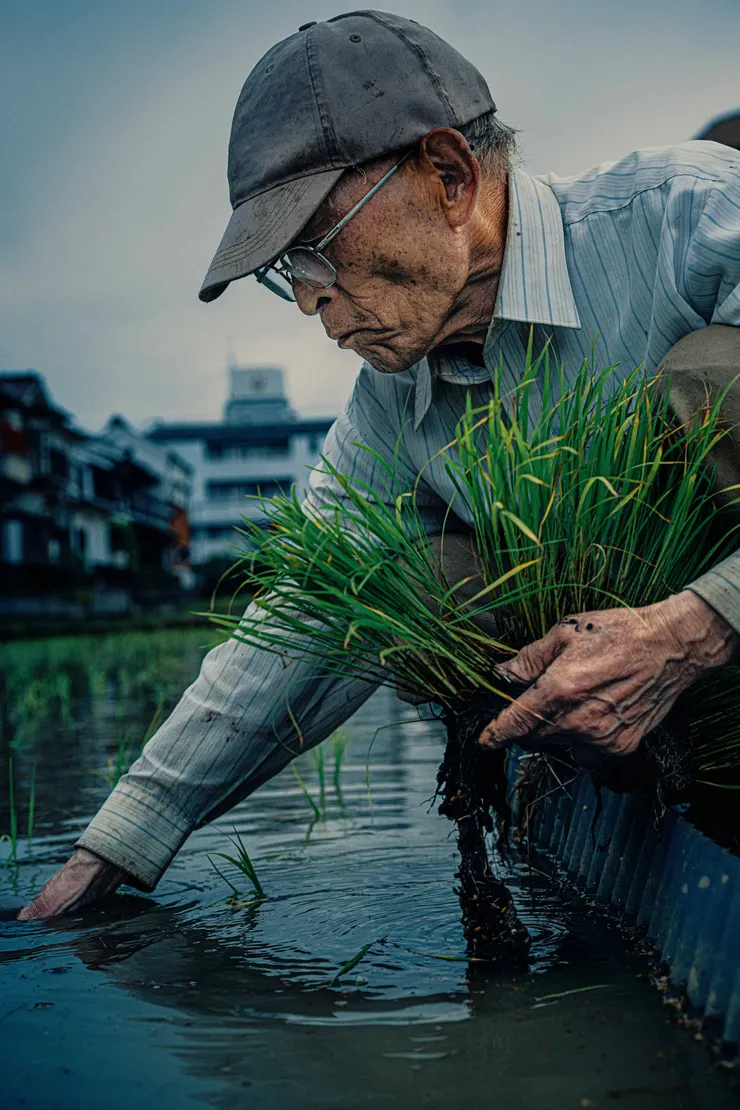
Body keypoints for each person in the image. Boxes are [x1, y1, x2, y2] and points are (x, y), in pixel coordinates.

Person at [20, 11, 740, 920]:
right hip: (651, 731)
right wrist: (110, 849)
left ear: (448, 175)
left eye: (317, 247)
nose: (310, 298)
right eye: (285, 272)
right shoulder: (391, 401)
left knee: (719, 372)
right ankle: (634, 776)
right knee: (400, 574)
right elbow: (303, 618)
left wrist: (687, 631)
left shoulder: (687, 215)